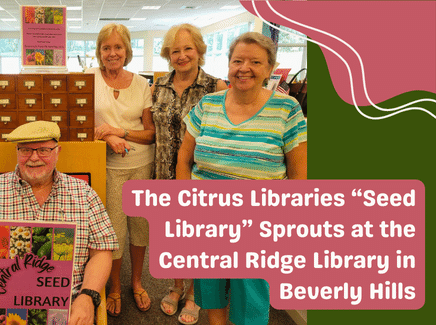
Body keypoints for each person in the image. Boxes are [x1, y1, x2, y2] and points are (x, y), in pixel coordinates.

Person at [177, 32, 307, 325]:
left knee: (251, 294)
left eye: (255, 62)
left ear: (269, 68)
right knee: (210, 286)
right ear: (228, 65)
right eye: (238, 60)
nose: (244, 68)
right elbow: (184, 158)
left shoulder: (287, 110)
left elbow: (300, 176)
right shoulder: (208, 105)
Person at [0, 121, 119, 325]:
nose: (34, 157)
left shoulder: (84, 194)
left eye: (44, 150)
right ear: (17, 152)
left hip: (67, 308)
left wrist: (87, 297)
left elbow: (102, 251)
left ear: (57, 151)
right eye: (26, 150)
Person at [151, 23, 228, 325]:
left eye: (187, 49)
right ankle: (177, 285)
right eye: (175, 51)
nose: (182, 56)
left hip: (199, 176)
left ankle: (195, 295)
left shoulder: (215, 87)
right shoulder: (158, 85)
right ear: (168, 55)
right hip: (162, 174)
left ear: (199, 50)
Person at [87, 23, 155, 316]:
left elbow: (150, 133)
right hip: (107, 166)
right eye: (106, 48)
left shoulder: (141, 84)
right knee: (112, 230)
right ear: (99, 52)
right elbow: (79, 121)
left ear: (127, 50)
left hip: (142, 163)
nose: (112, 53)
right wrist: (107, 135)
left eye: (118, 47)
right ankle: (114, 286)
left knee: (140, 227)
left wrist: (120, 131)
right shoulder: (88, 79)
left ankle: (137, 281)